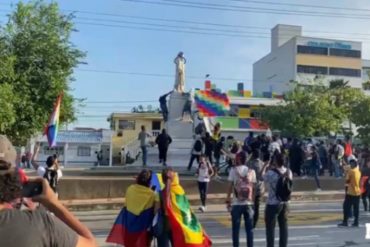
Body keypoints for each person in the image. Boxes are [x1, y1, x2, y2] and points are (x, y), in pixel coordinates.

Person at [0, 135, 96, 247]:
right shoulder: (40, 225)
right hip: (48, 198)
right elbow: (91, 244)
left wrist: (35, 153)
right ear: (12, 178)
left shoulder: (42, 170)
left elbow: (34, 163)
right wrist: (53, 203)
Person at [107, 169, 159, 246]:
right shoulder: (153, 195)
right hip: (144, 228)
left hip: (129, 225)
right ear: (149, 182)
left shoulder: (130, 189)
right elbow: (156, 211)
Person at [226, 149, 256, 247]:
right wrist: (253, 201)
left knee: (235, 230)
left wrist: (228, 200)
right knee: (249, 230)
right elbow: (254, 188)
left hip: (236, 203)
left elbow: (230, 187)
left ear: (238, 159)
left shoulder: (233, 170)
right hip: (249, 204)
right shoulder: (252, 171)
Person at [262, 152, 293, 247]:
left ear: (275, 161)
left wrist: (265, 166)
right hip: (285, 202)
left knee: (270, 228)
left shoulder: (271, 173)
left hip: (272, 203)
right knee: (283, 227)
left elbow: (261, 177)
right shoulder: (289, 172)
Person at [338, 156, 361, 227]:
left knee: (346, 207)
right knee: (356, 208)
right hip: (357, 192)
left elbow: (347, 181)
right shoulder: (358, 171)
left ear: (354, 164)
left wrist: (346, 173)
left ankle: (345, 222)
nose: (350, 165)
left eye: (351, 164)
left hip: (350, 192)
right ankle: (356, 222)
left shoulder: (351, 171)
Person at [247, 149, 264, 228]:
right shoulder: (262, 163)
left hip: (251, 188)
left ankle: (250, 221)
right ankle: (254, 222)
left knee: (250, 206)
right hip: (259, 188)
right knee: (257, 206)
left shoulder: (249, 163)